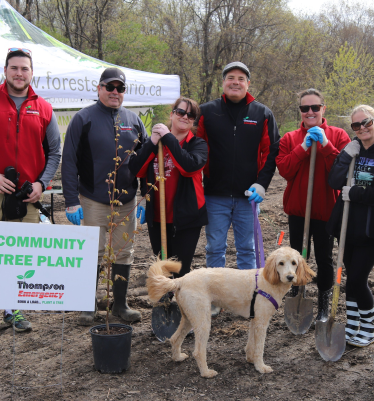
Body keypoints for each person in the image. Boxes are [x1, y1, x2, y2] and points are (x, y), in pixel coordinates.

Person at [0, 48, 61, 337]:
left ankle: (14, 309)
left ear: (32, 72)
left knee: (19, 255)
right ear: (6, 70)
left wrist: (41, 184)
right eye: (14, 68)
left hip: (27, 194)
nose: (19, 73)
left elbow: (55, 152)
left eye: (24, 68)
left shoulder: (44, 108)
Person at [62, 67, 148, 326]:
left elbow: (145, 161)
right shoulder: (84, 118)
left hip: (127, 201)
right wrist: (70, 201)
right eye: (109, 87)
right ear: (99, 89)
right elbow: (69, 162)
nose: (114, 92)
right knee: (93, 252)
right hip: (93, 199)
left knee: (124, 252)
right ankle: (88, 305)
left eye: (120, 88)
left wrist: (146, 197)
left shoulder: (133, 119)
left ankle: (120, 304)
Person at [196, 62, 280, 313]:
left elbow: (272, 151)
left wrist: (262, 184)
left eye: (241, 78)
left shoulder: (262, 113)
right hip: (215, 195)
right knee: (215, 249)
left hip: (247, 197)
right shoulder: (207, 112)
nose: (235, 82)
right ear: (223, 82)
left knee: (247, 249)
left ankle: (246, 297)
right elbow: (197, 147)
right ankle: (214, 298)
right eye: (230, 77)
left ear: (248, 83)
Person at [276, 88, 350, 322]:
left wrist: (327, 145)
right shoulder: (290, 138)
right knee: (298, 256)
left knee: (324, 258)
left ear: (323, 109)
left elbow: (342, 172)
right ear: (300, 111)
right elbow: (285, 170)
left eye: (314, 107)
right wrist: (303, 148)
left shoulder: (338, 135)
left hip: (327, 210)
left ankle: (323, 306)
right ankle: (298, 294)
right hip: (299, 210)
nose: (310, 112)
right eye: (304, 108)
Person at [327, 105, 374, 347]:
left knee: (358, 279)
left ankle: (368, 329)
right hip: (348, 225)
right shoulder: (353, 150)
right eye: (355, 125)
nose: (361, 129)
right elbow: (334, 181)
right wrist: (346, 155)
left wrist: (355, 193)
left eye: (366, 122)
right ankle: (352, 326)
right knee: (350, 279)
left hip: (373, 228)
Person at [129, 97, 207, 278]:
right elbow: (136, 170)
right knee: (161, 266)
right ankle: (163, 302)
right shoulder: (156, 143)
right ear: (172, 114)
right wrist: (152, 143)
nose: (185, 117)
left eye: (191, 115)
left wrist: (168, 137)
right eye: (180, 112)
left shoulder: (198, 145)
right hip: (158, 216)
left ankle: (180, 304)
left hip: (187, 217)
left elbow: (188, 167)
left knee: (180, 269)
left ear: (194, 121)